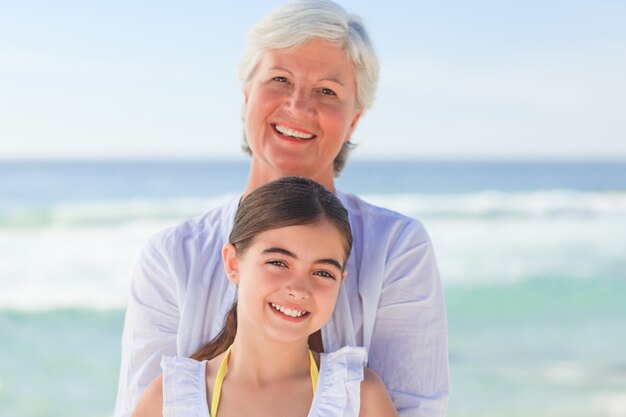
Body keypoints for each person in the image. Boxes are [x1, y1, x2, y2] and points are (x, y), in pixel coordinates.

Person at [115, 1, 449, 416]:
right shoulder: (171, 257)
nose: (299, 107)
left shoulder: (398, 248)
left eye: (328, 91)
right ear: (246, 96)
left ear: (355, 120)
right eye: (279, 79)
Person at [130, 176, 399, 417]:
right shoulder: (170, 400)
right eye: (279, 263)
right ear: (233, 264)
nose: (298, 288)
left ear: (341, 282)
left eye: (323, 272)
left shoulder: (359, 397)